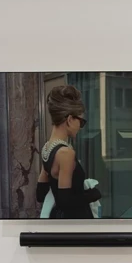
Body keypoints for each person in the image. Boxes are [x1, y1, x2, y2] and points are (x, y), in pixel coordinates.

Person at [36, 85, 101, 219]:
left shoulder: (46, 148)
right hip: (75, 221)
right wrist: (93, 194)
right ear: (70, 120)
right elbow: (64, 202)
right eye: (81, 122)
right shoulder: (66, 153)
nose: (80, 127)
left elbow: (40, 194)